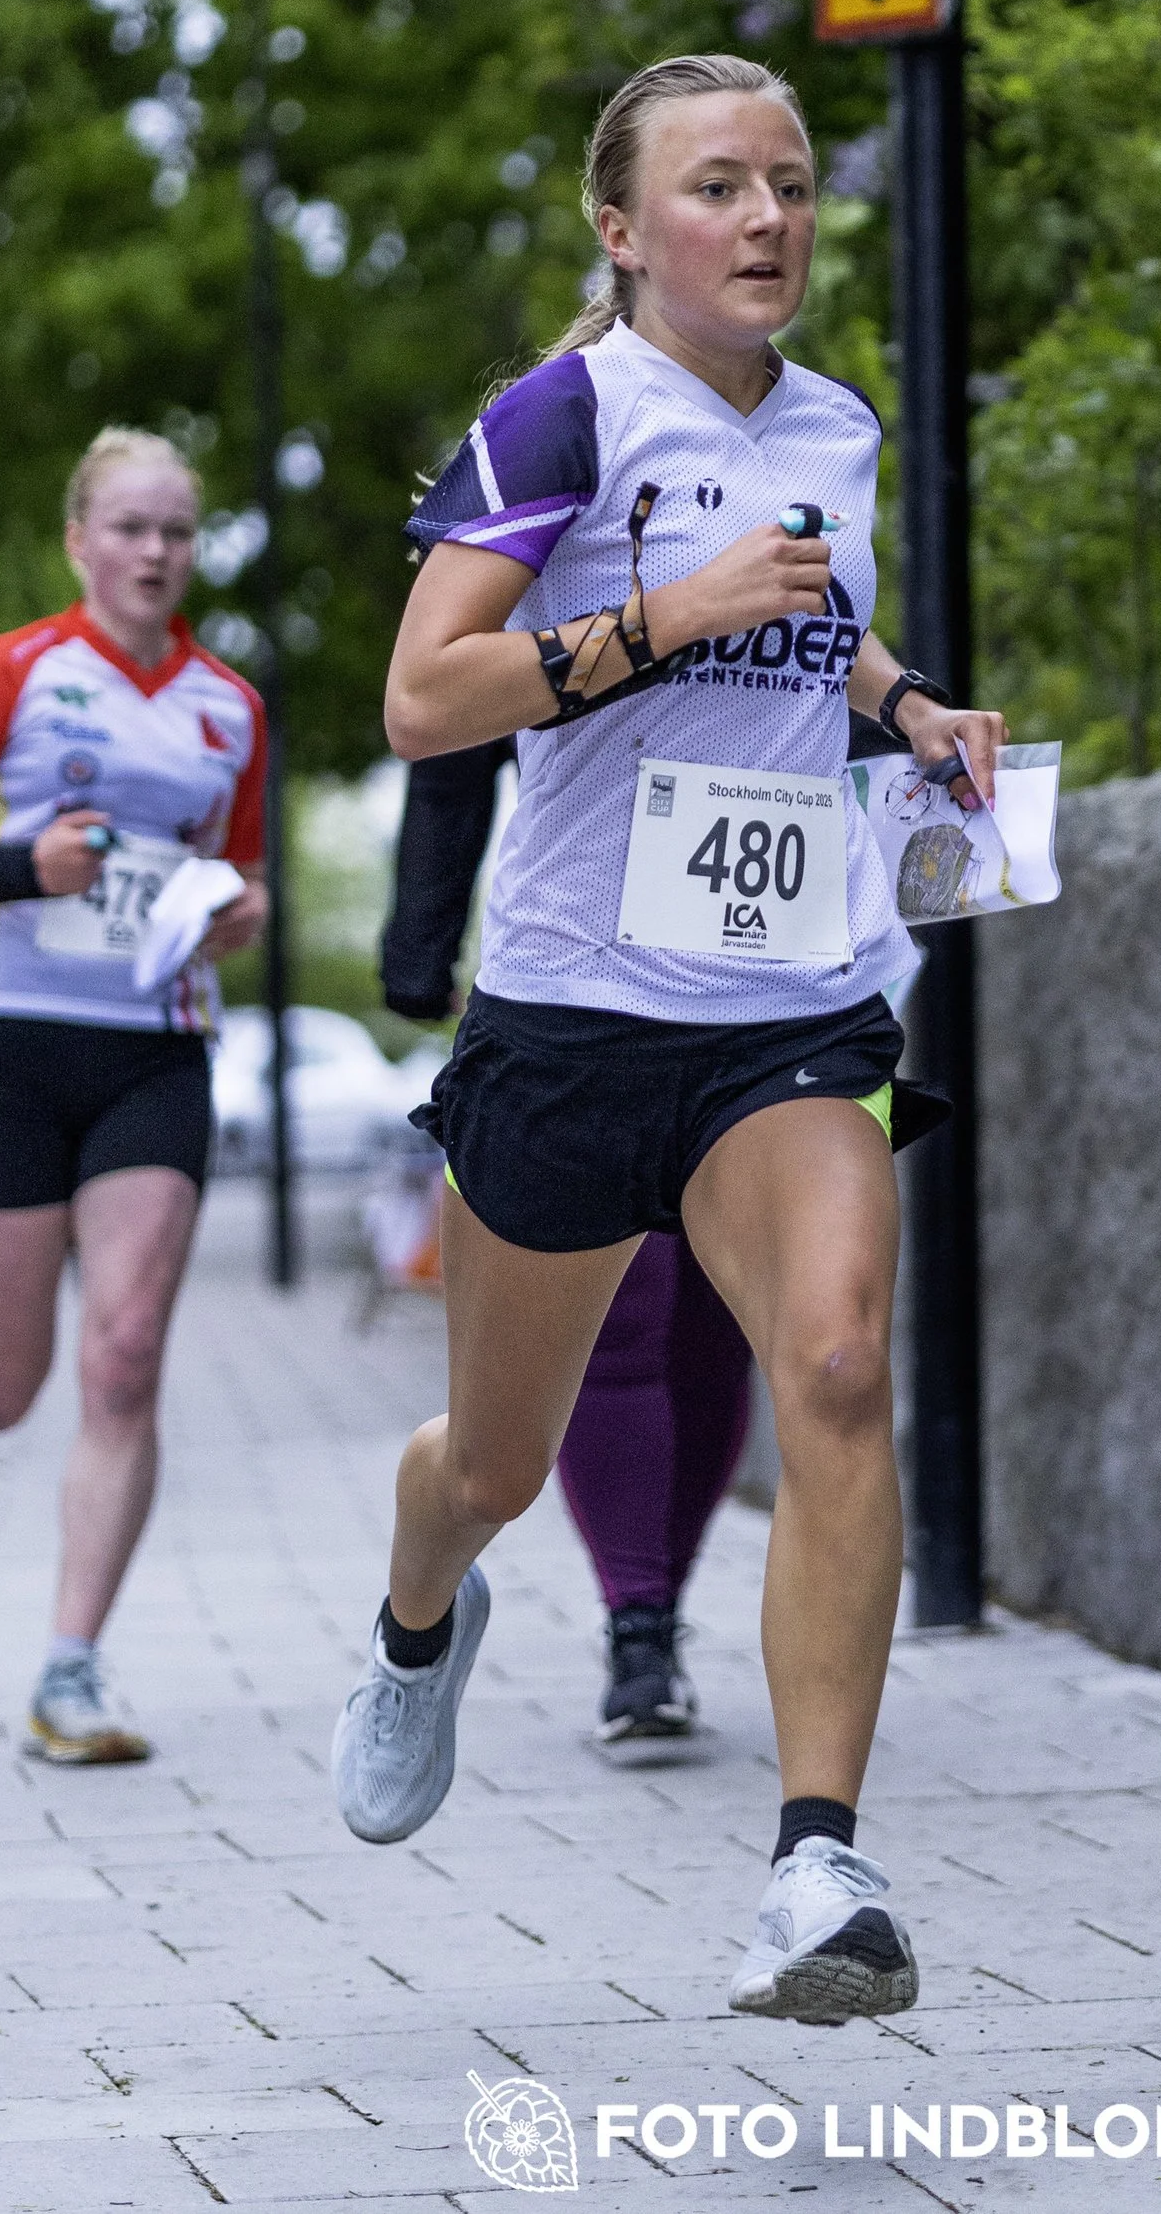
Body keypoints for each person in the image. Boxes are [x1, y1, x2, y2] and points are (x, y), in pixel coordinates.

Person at [332, 51, 1002, 2029]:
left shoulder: (835, 423)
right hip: (565, 1011)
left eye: (791, 183)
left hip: (787, 1005)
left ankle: (815, 1862)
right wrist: (662, 617)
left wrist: (910, 706)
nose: (771, 218)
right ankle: (413, 1607)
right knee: (494, 1460)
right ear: (623, 228)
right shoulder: (561, 412)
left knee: (838, 1359)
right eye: (720, 185)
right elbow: (421, 694)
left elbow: (819, 618)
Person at [0, 429, 268, 1765]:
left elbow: (245, 885)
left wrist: (233, 916)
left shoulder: (229, 706)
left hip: (155, 1047)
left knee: (128, 1348)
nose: (157, 552)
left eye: (177, 530)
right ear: (80, 540)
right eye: (132, 527)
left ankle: (71, 1666)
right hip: (9, 1045)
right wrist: (17, 867)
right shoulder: (15, 671)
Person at [382, 740, 757, 1751]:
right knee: (625, 1310)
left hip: (767, 984)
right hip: (585, 982)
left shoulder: (812, 574)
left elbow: (826, 689)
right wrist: (419, 944)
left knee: (719, 1319)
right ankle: (634, 1619)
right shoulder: (536, 569)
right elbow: (446, 716)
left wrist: (912, 721)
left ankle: (657, 1601)